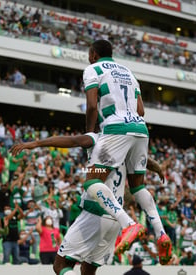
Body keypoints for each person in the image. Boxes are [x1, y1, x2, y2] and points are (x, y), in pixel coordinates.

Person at [10, 132, 167, 274]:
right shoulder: (127, 145)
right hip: (116, 217)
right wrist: (157, 168)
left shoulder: (98, 137)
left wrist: (35, 143)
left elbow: (72, 140)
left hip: (96, 211)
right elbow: (144, 160)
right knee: (88, 269)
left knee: (60, 264)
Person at [82, 39, 171, 262]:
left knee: (92, 181)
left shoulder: (93, 69)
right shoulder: (128, 72)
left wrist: (90, 132)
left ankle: (128, 224)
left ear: (93, 54)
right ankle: (161, 233)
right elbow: (140, 109)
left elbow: (92, 105)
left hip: (115, 127)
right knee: (138, 185)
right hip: (140, 128)